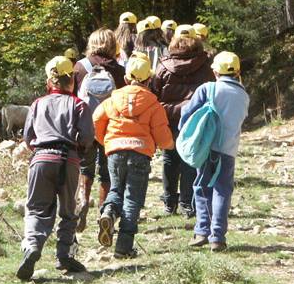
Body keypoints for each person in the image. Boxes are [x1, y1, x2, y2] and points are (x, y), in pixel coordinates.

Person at [18, 56, 95, 280]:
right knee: (69, 211)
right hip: (69, 160)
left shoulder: (37, 104)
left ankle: (32, 245)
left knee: (36, 209)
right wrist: (78, 148)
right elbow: (88, 137)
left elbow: (28, 137)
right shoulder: (79, 104)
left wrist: (39, 148)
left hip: (41, 159)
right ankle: (64, 255)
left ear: (49, 81)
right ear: (72, 79)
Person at [94, 55, 173, 258]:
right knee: (133, 199)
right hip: (140, 153)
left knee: (116, 188)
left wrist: (107, 142)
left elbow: (96, 120)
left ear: (128, 78)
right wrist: (167, 146)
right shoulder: (153, 104)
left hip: (115, 151)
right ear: (148, 80)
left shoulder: (113, 99)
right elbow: (163, 135)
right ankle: (124, 247)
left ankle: (108, 213)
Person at [184, 51, 249, 252]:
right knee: (223, 190)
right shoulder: (243, 95)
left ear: (215, 71)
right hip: (229, 150)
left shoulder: (208, 89)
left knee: (202, 187)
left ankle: (202, 231)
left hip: (207, 147)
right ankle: (218, 237)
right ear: (238, 71)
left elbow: (188, 113)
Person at [151, 24, 215, 217]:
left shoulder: (163, 65)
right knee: (190, 158)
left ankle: (169, 202)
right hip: (196, 118)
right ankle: (187, 202)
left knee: (170, 159)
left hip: (168, 118)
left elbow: (155, 93)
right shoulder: (205, 65)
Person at [73, 28, 126, 232]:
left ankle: (83, 202)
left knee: (85, 169)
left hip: (85, 125)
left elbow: (73, 99)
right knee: (107, 173)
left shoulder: (80, 67)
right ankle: (105, 213)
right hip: (110, 127)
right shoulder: (119, 71)